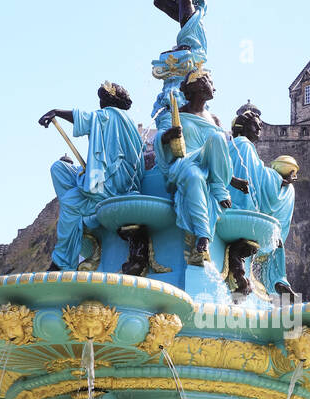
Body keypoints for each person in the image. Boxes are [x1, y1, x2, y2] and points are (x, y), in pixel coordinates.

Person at [38, 81, 146, 271]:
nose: (99, 103)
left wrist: (56, 112)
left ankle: (62, 262)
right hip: (100, 179)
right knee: (59, 168)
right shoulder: (116, 118)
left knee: (71, 201)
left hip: (113, 186)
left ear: (109, 100)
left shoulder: (112, 115)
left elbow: (86, 118)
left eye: (101, 99)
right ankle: (80, 216)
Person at [154, 70, 248, 265]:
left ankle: (218, 187)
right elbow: (159, 139)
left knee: (217, 137)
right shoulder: (175, 114)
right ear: (198, 85)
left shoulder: (215, 120)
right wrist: (169, 135)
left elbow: (219, 156)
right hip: (184, 163)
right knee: (194, 176)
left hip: (208, 166)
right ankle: (203, 235)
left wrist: (233, 181)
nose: (214, 87)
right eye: (210, 82)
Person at [229, 102, 298, 299]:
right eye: (256, 124)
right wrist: (281, 181)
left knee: (275, 242)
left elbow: (258, 173)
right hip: (240, 207)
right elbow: (258, 176)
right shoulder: (244, 146)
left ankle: (274, 281)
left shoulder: (236, 146)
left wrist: (279, 179)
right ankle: (277, 280)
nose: (260, 128)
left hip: (234, 206)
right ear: (243, 126)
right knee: (273, 237)